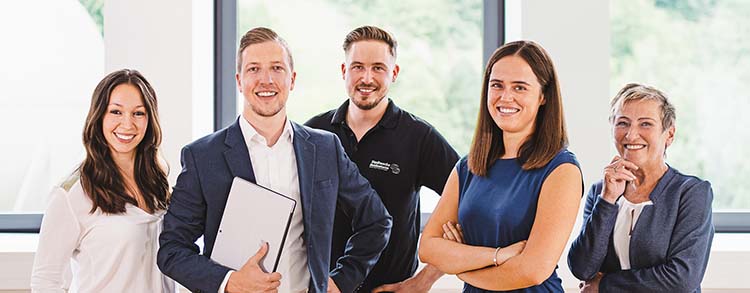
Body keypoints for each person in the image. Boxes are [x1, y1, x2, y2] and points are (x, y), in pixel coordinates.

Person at [157, 27, 392, 293]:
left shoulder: (325, 148)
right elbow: (172, 250)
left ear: (292, 79)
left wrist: (342, 280)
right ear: (239, 81)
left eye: (277, 68)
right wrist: (230, 281)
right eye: (254, 69)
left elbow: (377, 220)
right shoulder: (202, 156)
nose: (266, 80)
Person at [418, 40, 583, 292]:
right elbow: (428, 248)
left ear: (543, 97)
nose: (505, 97)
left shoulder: (562, 170)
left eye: (520, 87)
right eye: (497, 85)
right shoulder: (468, 166)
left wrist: (459, 263)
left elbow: (533, 271)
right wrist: (498, 255)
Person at [305, 25, 459, 292]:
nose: (366, 78)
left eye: (378, 68)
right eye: (357, 67)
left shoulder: (419, 137)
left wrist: (422, 282)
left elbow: (470, 205)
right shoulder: (314, 134)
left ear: (394, 73)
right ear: (344, 71)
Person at [30, 69, 175, 292]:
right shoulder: (72, 194)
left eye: (138, 113)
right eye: (116, 112)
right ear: (99, 116)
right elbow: (45, 280)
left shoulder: (158, 182)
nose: (127, 124)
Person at [567, 83, 714, 292]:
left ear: (669, 135)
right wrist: (607, 200)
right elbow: (582, 268)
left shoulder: (691, 193)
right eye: (623, 123)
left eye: (645, 124)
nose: (631, 135)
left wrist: (605, 285)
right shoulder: (600, 191)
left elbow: (682, 278)